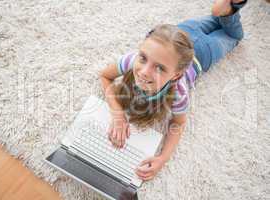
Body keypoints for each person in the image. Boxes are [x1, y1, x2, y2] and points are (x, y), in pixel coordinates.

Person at [99, 0, 247, 181]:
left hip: (204, 52)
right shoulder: (132, 60)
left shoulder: (179, 92)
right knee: (218, 19)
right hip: (181, 33)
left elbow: (178, 123)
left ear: (176, 76)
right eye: (143, 57)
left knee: (233, 36)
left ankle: (231, 10)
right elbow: (105, 76)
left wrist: (163, 158)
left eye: (159, 68)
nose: (144, 72)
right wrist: (118, 114)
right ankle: (225, 12)